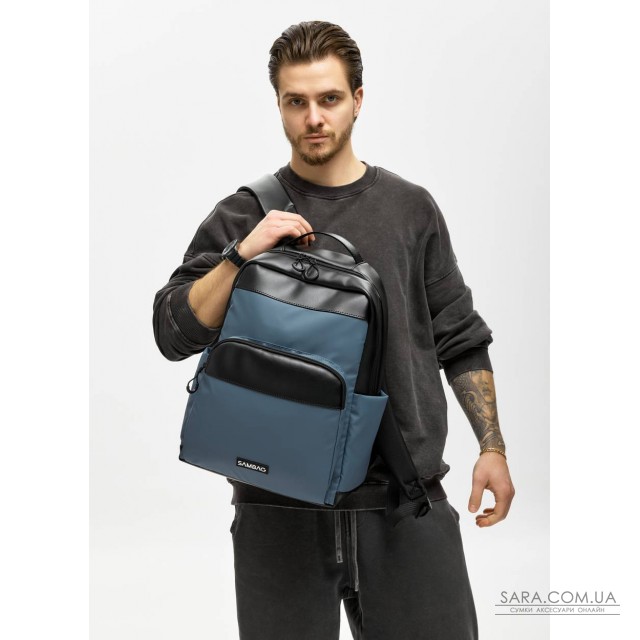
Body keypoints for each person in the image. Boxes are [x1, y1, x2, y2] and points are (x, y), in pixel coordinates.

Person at [153, 20, 515, 640]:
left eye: (329, 99)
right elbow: (173, 332)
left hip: (406, 503)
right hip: (276, 509)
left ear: (358, 99)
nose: (314, 118)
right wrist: (241, 256)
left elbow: (459, 337)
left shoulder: (411, 208)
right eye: (296, 101)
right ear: (278, 105)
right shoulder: (244, 213)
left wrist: (493, 448)